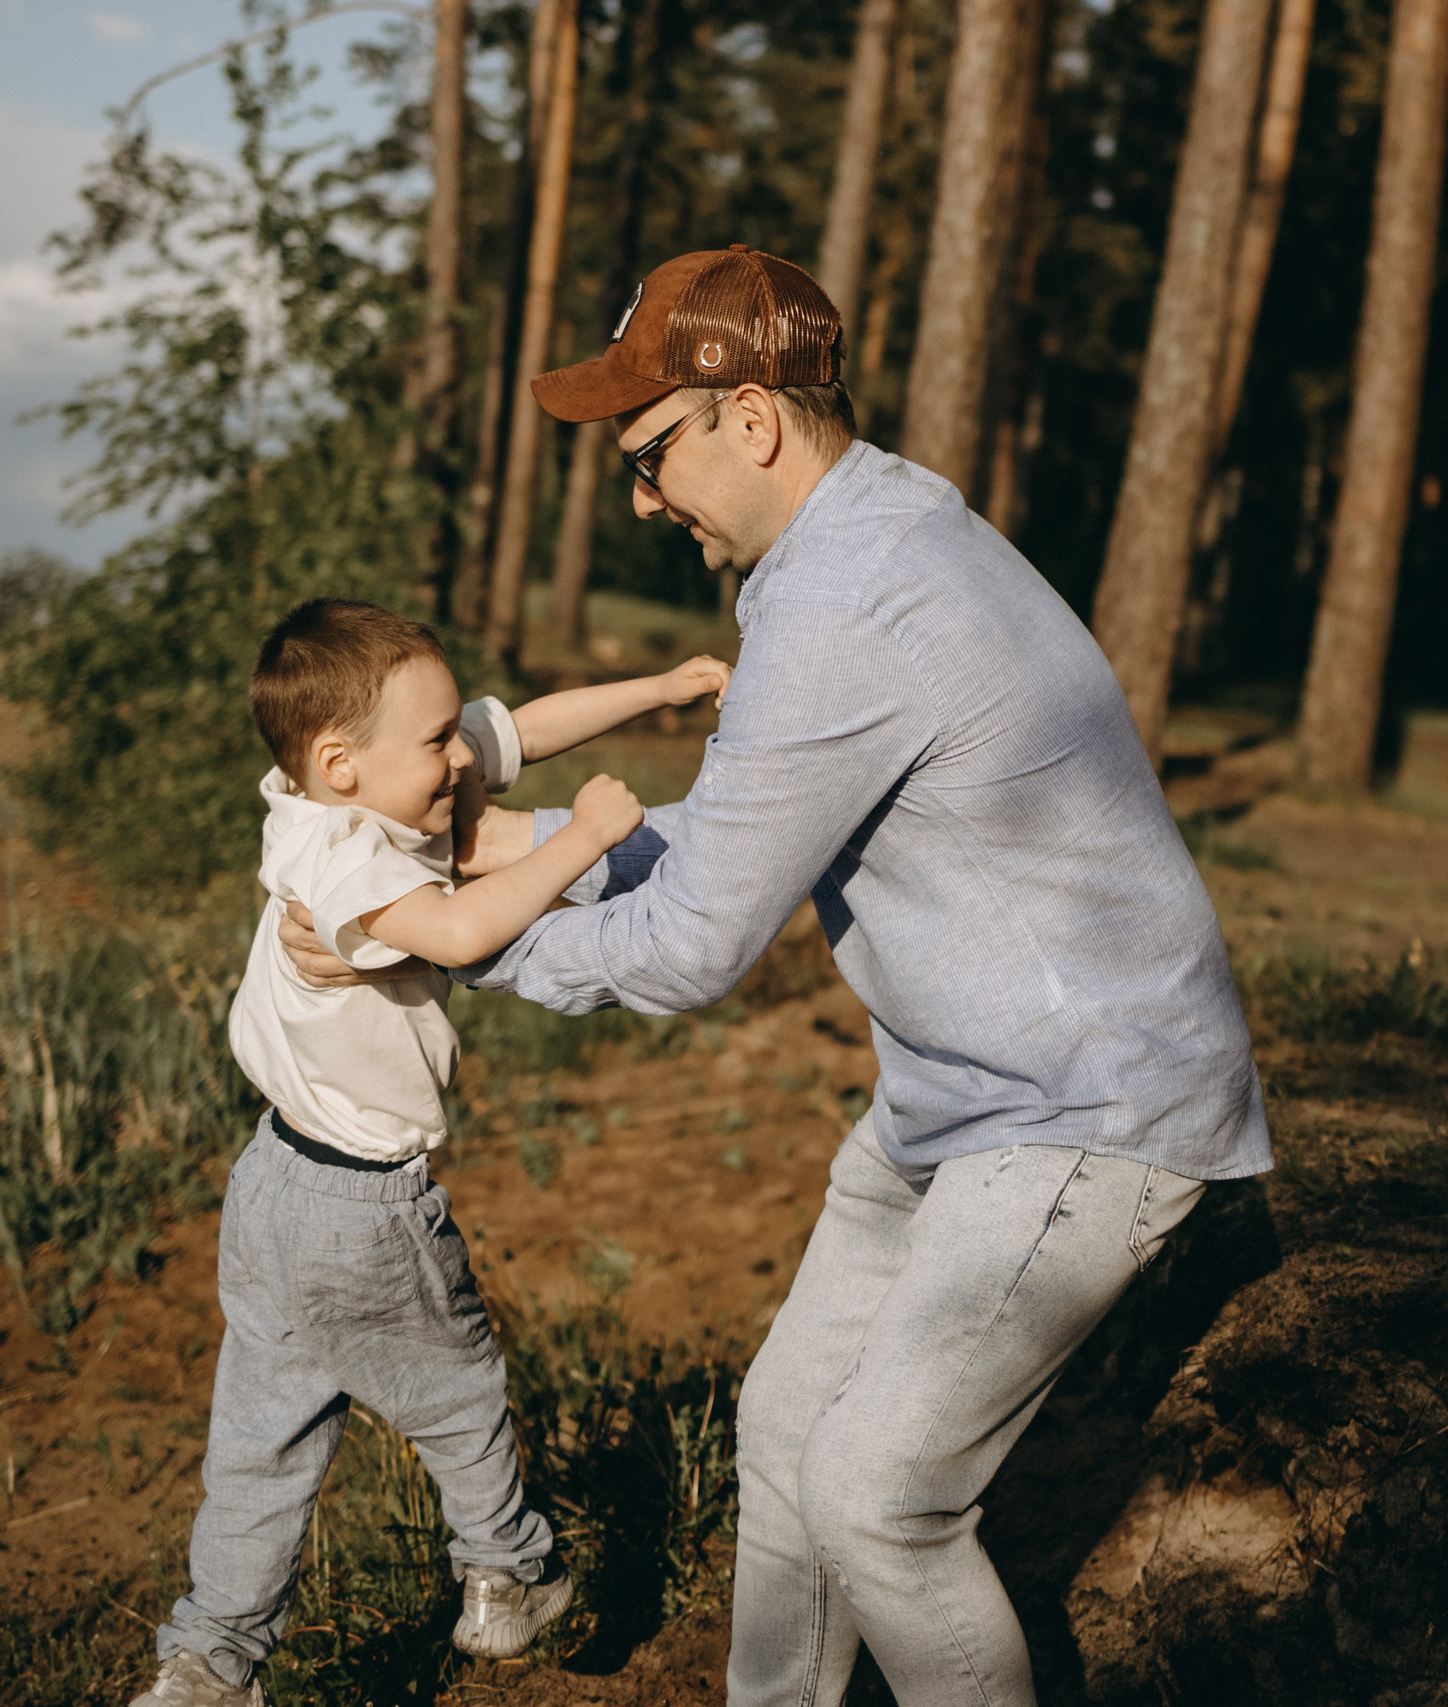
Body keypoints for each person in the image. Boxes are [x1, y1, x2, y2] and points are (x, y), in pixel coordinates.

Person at [279, 247, 1271, 1706]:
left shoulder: (842, 609)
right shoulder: (865, 540)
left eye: (648, 455)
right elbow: (742, 833)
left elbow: (687, 944)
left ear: (750, 418)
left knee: (880, 1492)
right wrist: (510, 854)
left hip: (1087, 1102)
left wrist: (452, 932)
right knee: (789, 1419)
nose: (639, 497)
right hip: (962, 1084)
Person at [140, 597, 729, 1707]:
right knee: (460, 1390)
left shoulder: (342, 796)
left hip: (271, 1185)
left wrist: (661, 688)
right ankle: (508, 1577)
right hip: (361, 1206)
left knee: (260, 1450)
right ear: (340, 762)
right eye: (436, 742)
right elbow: (463, 932)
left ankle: (207, 1663)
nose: (463, 757)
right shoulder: (345, 862)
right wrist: (586, 838)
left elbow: (524, 730)